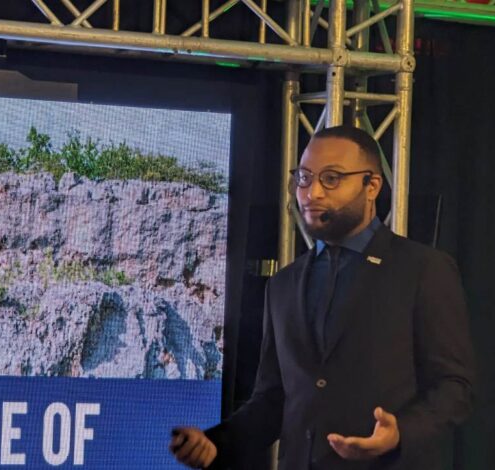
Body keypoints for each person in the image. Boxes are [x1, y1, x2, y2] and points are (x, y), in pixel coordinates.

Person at [170, 125, 475, 469]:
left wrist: (399, 432)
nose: (312, 192)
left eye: (331, 178)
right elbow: (274, 400)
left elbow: (453, 388)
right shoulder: (283, 285)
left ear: (371, 185)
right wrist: (215, 442)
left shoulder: (422, 269)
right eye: (304, 177)